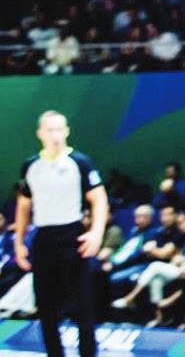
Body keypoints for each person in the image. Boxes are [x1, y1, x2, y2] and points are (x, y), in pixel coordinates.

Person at [14, 110, 108, 357]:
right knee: (46, 306)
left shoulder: (81, 162)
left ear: (66, 131)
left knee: (82, 304)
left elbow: (98, 198)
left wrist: (96, 233)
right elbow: (24, 205)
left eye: (59, 129)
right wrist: (19, 242)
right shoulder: (30, 165)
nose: (55, 135)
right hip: (44, 238)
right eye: (50, 130)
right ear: (40, 134)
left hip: (73, 236)